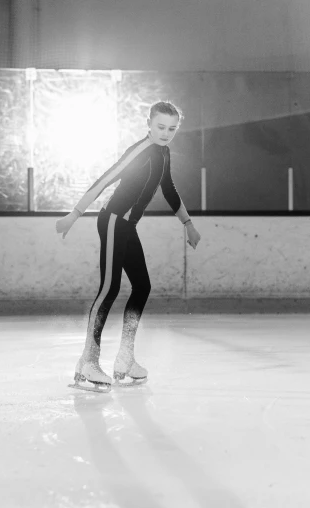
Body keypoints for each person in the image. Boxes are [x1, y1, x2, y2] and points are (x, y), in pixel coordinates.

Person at [56, 101, 201, 392]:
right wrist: (74, 214)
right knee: (109, 288)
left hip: (126, 226)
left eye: (172, 129)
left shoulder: (164, 152)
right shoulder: (140, 151)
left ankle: (125, 357)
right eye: (160, 127)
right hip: (111, 221)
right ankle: (89, 360)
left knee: (142, 286)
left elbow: (169, 189)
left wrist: (187, 223)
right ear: (149, 123)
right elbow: (105, 180)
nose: (166, 133)